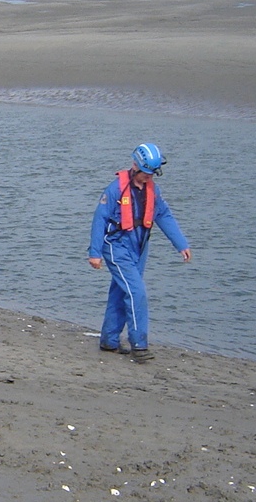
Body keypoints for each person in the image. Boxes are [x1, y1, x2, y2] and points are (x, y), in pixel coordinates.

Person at [88, 143, 191, 363]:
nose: (149, 178)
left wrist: (181, 244)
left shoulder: (154, 191)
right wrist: (95, 252)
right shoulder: (115, 190)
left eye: (152, 174)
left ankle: (109, 340)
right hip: (117, 247)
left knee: (120, 291)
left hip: (139, 248)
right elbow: (100, 220)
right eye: (146, 173)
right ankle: (139, 345)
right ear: (136, 165)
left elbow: (164, 216)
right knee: (137, 293)